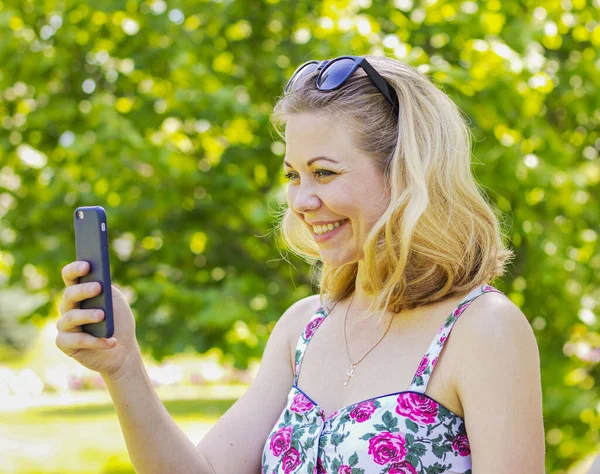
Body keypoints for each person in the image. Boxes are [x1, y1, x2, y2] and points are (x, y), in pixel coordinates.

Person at [57, 55, 546, 473]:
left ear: (406, 174)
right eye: (293, 174)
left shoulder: (484, 330)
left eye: (324, 173)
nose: (302, 200)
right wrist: (123, 367)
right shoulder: (304, 328)